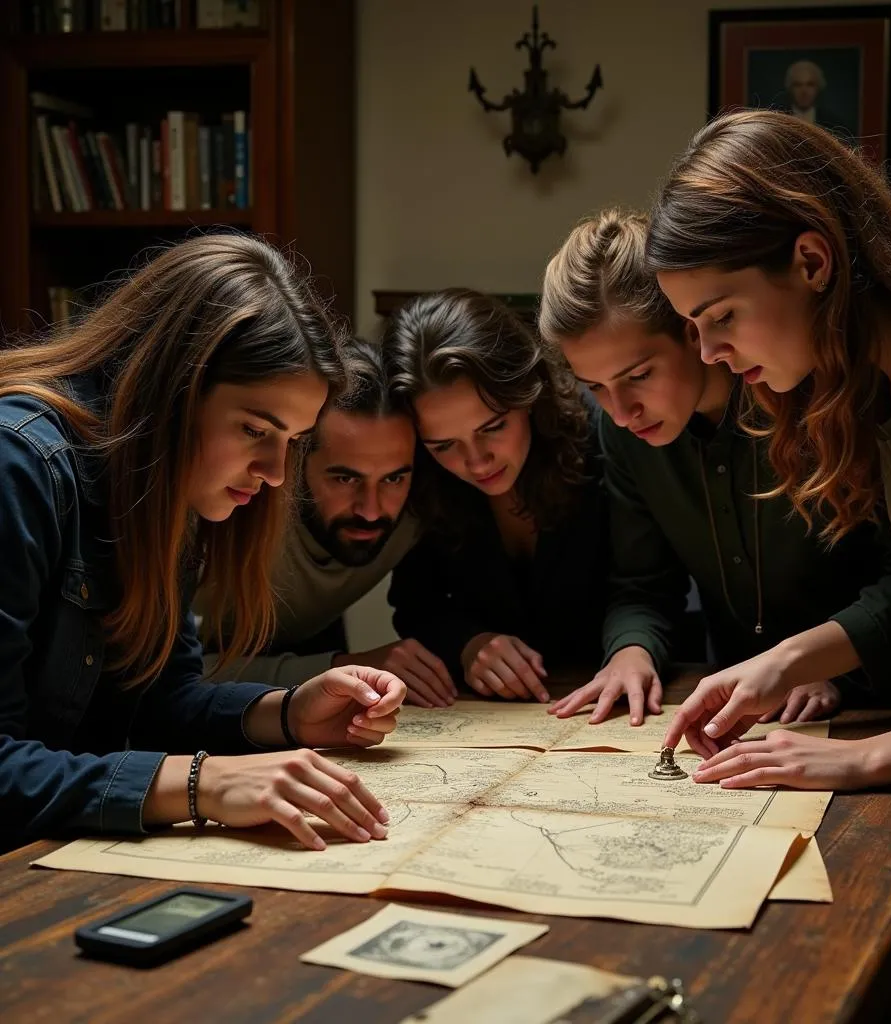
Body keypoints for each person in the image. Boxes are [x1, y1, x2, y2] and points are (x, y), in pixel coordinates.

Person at [644, 109, 891, 962]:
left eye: (721, 316)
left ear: (812, 260)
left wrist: (857, 760)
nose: (706, 353)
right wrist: (782, 662)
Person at [0, 233, 405, 855]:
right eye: (254, 429)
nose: (275, 471)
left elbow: (161, 701)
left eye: (293, 441)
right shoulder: (18, 466)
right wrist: (202, 783)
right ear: (174, 391)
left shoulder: (166, 481)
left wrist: (290, 711)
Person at [538, 208, 891, 728]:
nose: (619, 410)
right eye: (595, 386)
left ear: (692, 330)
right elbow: (642, 583)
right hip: (747, 715)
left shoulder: (825, 396)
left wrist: (827, 668)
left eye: (638, 375)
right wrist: (631, 649)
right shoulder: (624, 434)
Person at [197, 337, 454, 707]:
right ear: (296, 460)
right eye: (345, 479)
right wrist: (340, 667)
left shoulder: (423, 507)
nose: (370, 509)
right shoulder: (232, 503)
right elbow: (170, 681)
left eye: (394, 478)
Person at [382, 288, 609, 704]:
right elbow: (415, 605)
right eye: (444, 445)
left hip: (624, 694)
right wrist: (469, 643)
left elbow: (649, 585)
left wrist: (632, 650)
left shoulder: (603, 435)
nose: (477, 461)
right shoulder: (422, 476)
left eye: (492, 427)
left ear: (528, 392)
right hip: (492, 710)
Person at [775, 59, 846, 134]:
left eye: (810, 84)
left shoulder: (833, 124)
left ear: (818, 87)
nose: (804, 91)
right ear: (790, 88)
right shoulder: (778, 121)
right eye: (798, 85)